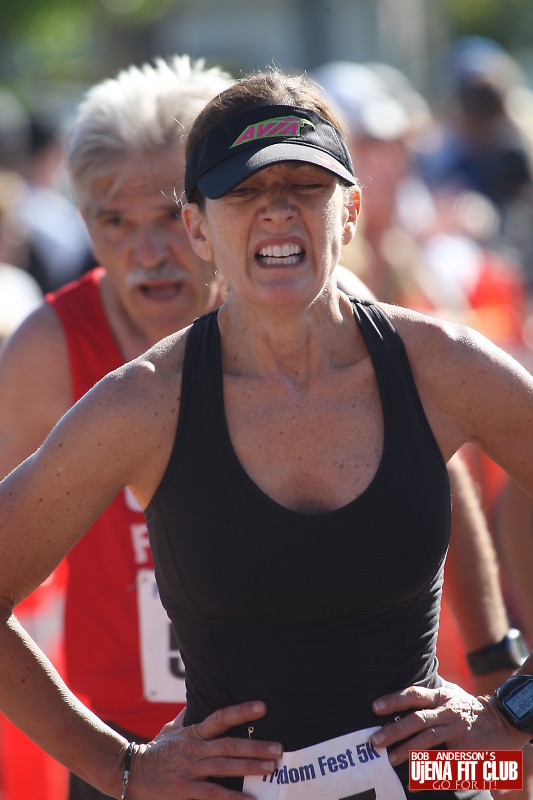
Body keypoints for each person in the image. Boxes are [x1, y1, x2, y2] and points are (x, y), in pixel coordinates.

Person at [0, 67, 532, 800]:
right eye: (244, 191)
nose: (277, 212)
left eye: (306, 187)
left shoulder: (438, 362)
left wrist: (511, 711)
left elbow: (460, 498)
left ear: (349, 212)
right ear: (199, 227)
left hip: (436, 774)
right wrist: (121, 769)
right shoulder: (143, 400)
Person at [0, 55, 233, 800]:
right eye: (116, 222)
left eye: (168, 216)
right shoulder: (50, 346)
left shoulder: (310, 310)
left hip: (323, 741)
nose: (148, 252)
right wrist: (111, 766)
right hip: (131, 750)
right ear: (84, 224)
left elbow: (448, 479)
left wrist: (495, 670)